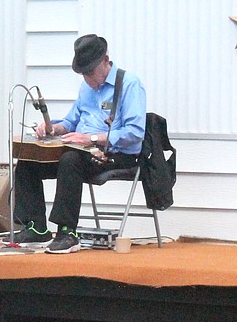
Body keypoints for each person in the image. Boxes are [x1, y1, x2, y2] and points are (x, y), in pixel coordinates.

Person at [12, 34, 146, 253]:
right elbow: (70, 121)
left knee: (70, 160)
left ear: (106, 60)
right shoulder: (86, 89)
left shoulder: (129, 84)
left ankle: (67, 232)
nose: (88, 79)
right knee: (29, 160)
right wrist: (54, 128)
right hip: (81, 150)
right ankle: (35, 226)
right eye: (83, 74)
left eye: (91, 72)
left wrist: (91, 138)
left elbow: (135, 132)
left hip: (113, 153)